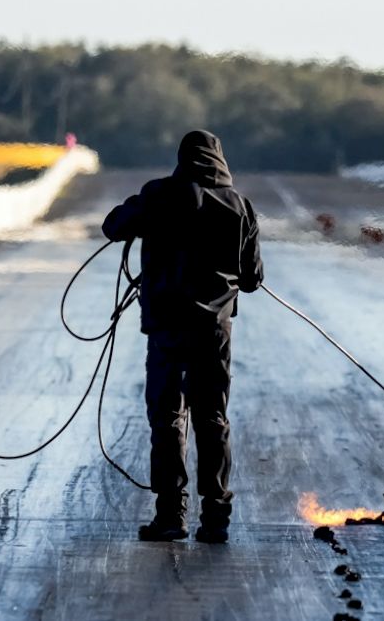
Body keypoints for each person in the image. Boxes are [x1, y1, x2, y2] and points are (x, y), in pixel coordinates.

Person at [102, 130, 263, 544]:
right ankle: (216, 518)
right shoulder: (241, 206)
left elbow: (113, 226)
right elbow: (252, 280)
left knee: (168, 417)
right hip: (215, 333)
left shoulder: (159, 195)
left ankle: (171, 515)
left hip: (167, 327)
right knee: (213, 418)